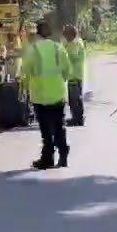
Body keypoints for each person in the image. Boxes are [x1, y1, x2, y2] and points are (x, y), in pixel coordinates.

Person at [19, 20, 72, 169]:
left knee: (46, 131)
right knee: (59, 126)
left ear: (36, 34)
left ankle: (47, 159)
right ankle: (63, 156)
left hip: (41, 97)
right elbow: (67, 70)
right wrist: (62, 81)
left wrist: (23, 90)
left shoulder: (33, 50)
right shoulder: (58, 48)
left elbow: (25, 73)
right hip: (58, 94)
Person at [62, 24, 87, 127]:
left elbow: (70, 58)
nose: (65, 38)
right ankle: (77, 118)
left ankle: (77, 118)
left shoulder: (74, 44)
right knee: (75, 99)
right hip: (75, 75)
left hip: (74, 75)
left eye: (66, 35)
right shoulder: (77, 42)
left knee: (74, 99)